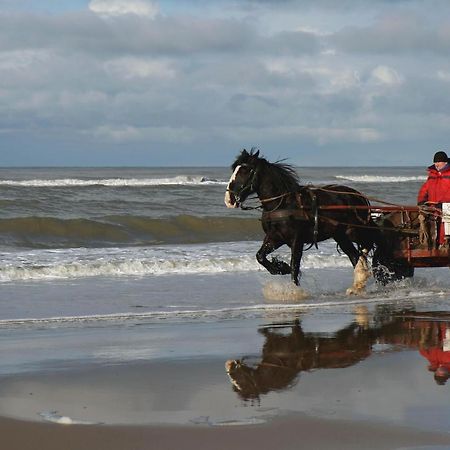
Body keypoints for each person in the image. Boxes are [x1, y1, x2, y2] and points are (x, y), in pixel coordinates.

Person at [417, 150, 450, 245]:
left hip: (447, 208)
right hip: (432, 208)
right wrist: (421, 201)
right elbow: (424, 189)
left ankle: (444, 247)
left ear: (445, 162)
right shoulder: (432, 175)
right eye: (435, 162)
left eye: (438, 161)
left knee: (445, 229)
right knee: (431, 228)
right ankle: (433, 246)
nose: (436, 164)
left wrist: (445, 203)